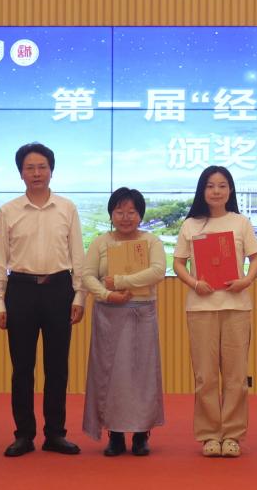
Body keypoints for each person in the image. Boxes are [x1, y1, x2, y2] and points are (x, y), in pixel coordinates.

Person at [0, 142, 86, 458]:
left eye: (42, 167)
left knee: (57, 367)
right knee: (22, 368)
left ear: (51, 170)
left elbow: (78, 255)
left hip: (59, 290)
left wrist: (80, 295)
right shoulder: (8, 211)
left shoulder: (67, 208)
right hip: (21, 290)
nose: (36, 173)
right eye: (29, 168)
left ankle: (55, 434)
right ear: (21, 173)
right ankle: (24, 435)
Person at [173, 166, 257, 458]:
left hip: (236, 306)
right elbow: (178, 263)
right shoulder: (190, 225)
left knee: (236, 376)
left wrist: (246, 280)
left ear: (230, 190)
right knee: (205, 376)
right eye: (210, 186)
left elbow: (256, 257)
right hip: (201, 308)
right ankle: (210, 435)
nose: (216, 191)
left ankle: (233, 435)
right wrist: (194, 283)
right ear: (202, 190)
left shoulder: (240, 222)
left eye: (222, 186)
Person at [81, 187, 166, 457]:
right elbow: (87, 276)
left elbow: (158, 271)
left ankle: (141, 434)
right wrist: (108, 294)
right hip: (108, 313)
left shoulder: (151, 242)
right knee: (111, 374)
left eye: (132, 212)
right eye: (119, 211)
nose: (126, 217)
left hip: (142, 312)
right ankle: (115, 434)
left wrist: (119, 281)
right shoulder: (100, 242)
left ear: (140, 215)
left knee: (142, 374)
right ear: (111, 214)